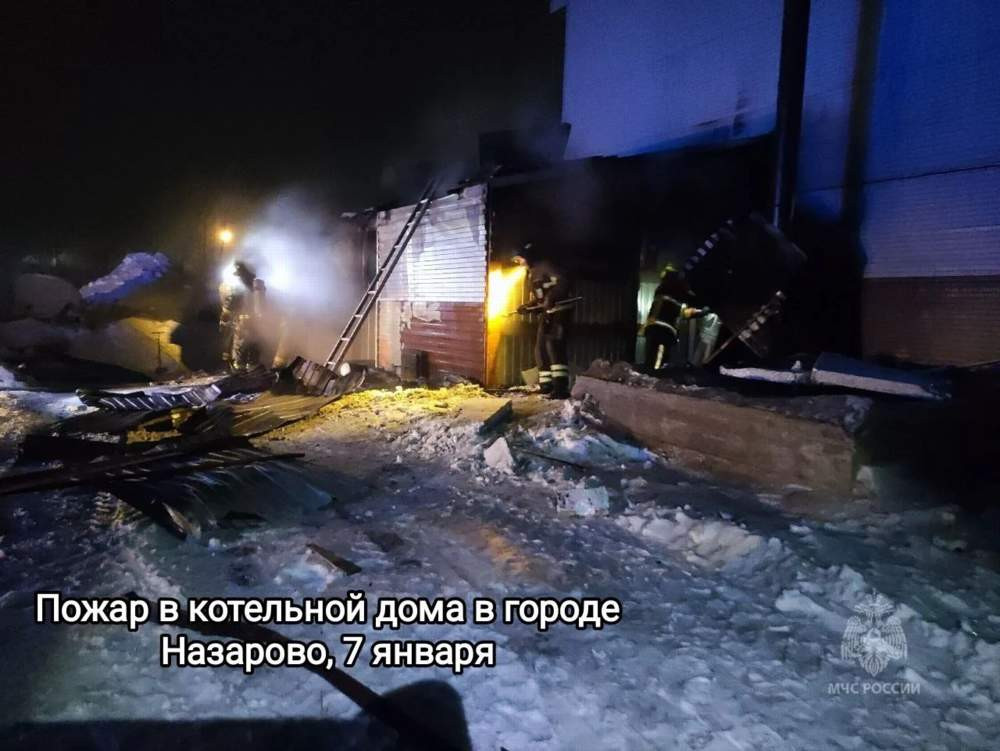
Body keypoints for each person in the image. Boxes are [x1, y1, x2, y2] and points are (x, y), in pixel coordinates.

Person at [513, 247, 573, 399]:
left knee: (553, 344)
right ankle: (546, 385)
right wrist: (528, 307)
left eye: (519, 259)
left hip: (560, 311)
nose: (519, 263)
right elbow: (540, 299)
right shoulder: (531, 274)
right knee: (540, 349)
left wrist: (551, 298)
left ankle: (561, 388)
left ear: (527, 257)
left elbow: (563, 282)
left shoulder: (546, 266)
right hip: (547, 314)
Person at [642, 264, 709, 371]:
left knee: (651, 360)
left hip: (653, 330)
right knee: (657, 364)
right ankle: (653, 376)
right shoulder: (672, 295)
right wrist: (703, 311)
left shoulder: (662, 290)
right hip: (662, 332)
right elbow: (685, 312)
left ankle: (649, 374)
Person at [218, 260, 266, 371]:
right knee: (253, 347)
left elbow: (230, 305)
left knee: (239, 350)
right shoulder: (257, 284)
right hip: (256, 323)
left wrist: (224, 319)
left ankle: (239, 370)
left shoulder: (237, 286)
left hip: (242, 322)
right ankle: (252, 369)